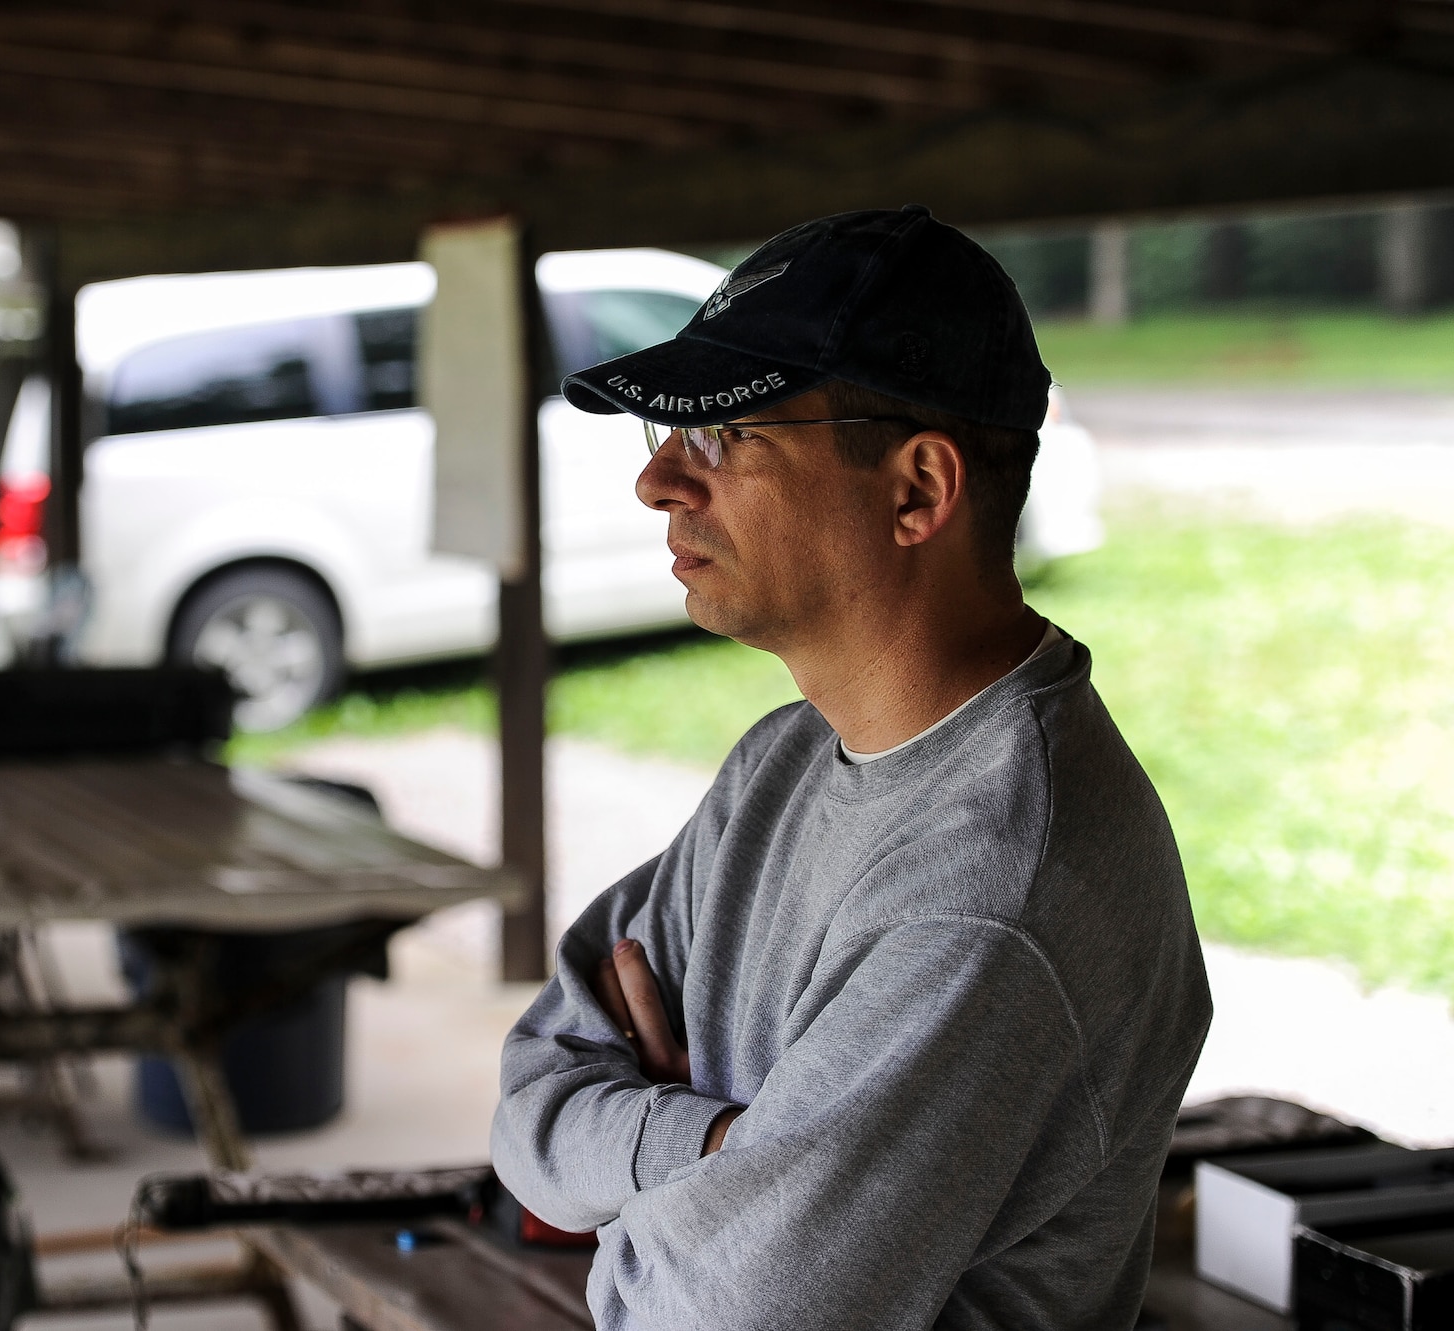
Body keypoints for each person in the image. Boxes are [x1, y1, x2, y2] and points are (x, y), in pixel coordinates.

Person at [490, 206, 1211, 1330]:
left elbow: (713, 1315)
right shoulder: (779, 765)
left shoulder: (988, 893)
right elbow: (531, 1104)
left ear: (917, 489)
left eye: (725, 434)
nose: (661, 482)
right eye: (665, 436)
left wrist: (629, 1174)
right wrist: (720, 1142)